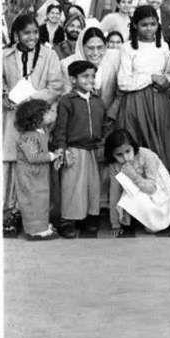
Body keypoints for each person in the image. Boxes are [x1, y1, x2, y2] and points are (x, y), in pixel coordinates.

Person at [3, 14, 65, 233]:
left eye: (35, 32)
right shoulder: (5, 56)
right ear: (16, 34)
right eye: (26, 33)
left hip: (38, 119)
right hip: (11, 118)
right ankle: (11, 212)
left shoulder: (49, 55)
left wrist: (30, 100)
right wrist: (4, 95)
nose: (31, 37)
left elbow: (56, 86)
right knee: (12, 165)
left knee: (36, 168)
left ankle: (36, 216)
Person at [116, 5, 170, 181]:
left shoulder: (163, 46)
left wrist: (166, 83)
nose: (149, 28)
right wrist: (150, 77)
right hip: (136, 103)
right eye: (144, 25)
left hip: (159, 102)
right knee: (139, 146)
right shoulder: (127, 48)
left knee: (163, 144)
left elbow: (169, 75)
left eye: (153, 24)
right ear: (135, 25)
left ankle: (163, 191)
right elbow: (123, 82)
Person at [53, 60, 108, 238]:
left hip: (94, 149)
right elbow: (60, 129)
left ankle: (90, 218)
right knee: (72, 187)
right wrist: (62, 149)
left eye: (93, 76)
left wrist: (103, 145)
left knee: (92, 186)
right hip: (74, 150)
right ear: (73, 79)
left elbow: (104, 125)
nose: (90, 80)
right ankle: (68, 220)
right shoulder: (67, 101)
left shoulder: (98, 101)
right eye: (85, 76)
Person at [106, 129, 170, 236]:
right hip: (140, 192)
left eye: (128, 151)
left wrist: (134, 176)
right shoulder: (114, 165)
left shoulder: (146, 155)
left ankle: (157, 218)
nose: (125, 158)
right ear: (112, 155)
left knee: (153, 227)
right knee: (128, 195)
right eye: (119, 155)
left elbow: (152, 189)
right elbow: (114, 193)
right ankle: (140, 217)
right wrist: (115, 223)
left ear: (133, 147)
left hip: (159, 193)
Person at [13, 99, 62, 240]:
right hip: (30, 177)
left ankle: (42, 226)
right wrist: (52, 156)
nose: (50, 115)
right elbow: (33, 157)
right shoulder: (29, 137)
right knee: (33, 201)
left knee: (42, 201)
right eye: (46, 112)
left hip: (38, 175)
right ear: (36, 117)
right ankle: (35, 230)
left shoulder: (41, 132)